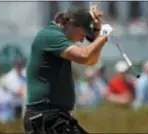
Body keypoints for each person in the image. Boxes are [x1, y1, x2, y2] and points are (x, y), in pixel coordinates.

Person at [23, 5, 114, 134]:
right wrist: (103, 36)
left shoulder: (58, 38)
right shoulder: (51, 35)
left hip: (53, 116)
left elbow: (91, 61)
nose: (83, 39)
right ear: (71, 24)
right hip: (45, 116)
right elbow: (84, 56)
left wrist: (98, 31)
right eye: (83, 34)